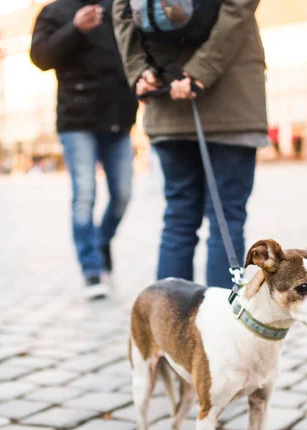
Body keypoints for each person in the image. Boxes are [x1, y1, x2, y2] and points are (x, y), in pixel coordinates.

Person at [113, 0, 267, 289]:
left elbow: (121, 10)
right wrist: (200, 70)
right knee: (226, 219)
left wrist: (139, 69)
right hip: (231, 98)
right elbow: (237, 9)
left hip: (163, 88)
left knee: (179, 219)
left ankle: (167, 325)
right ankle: (222, 325)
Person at [30, 0, 138, 300]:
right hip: (77, 120)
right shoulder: (54, 12)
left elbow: (135, 49)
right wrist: (74, 28)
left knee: (123, 194)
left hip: (118, 117)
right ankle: (91, 269)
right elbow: (39, 57)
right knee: (85, 194)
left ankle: (101, 240)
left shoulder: (117, 6)